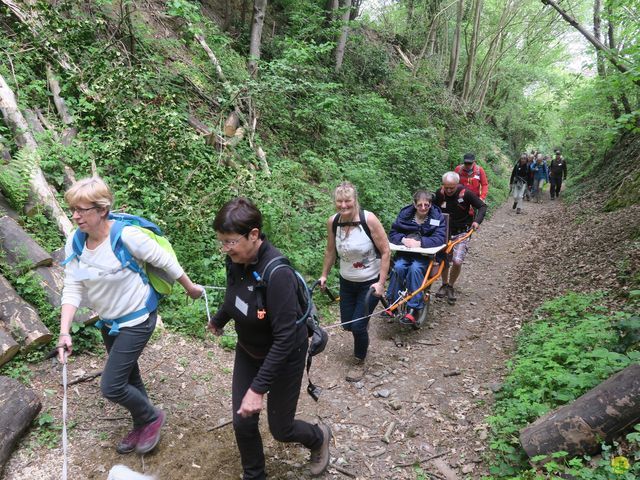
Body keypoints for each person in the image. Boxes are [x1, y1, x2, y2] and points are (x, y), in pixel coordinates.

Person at [57, 176, 203, 455]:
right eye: (73, 210)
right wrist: (65, 332)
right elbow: (72, 287)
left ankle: (151, 417)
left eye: (82, 210)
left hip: (137, 320)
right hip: (109, 322)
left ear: (102, 210)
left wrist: (190, 287)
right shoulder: (75, 243)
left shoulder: (126, 237)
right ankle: (142, 423)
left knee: (111, 386)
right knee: (128, 377)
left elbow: (165, 260)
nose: (76, 216)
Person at [207, 197, 331, 479]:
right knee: (242, 422)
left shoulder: (278, 275)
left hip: (285, 356)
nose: (225, 249)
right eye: (222, 241)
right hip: (248, 350)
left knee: (281, 430)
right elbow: (234, 297)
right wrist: (219, 320)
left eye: (230, 241)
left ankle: (318, 436)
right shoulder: (235, 261)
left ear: (254, 235)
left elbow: (286, 339)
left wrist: (257, 389)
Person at [318, 181, 390, 382]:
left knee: (357, 327)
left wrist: (381, 283)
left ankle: (359, 360)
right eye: (339, 201)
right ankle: (361, 326)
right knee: (347, 324)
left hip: (370, 283)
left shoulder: (369, 219)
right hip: (346, 281)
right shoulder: (333, 222)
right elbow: (330, 250)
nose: (343, 205)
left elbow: (385, 251)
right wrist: (324, 274)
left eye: (347, 201)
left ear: (355, 200)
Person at [386, 190, 446, 325]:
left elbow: (440, 238)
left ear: (431, 204)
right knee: (398, 267)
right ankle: (393, 303)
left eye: (426, 205)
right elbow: (393, 233)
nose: (423, 208)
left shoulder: (437, 216)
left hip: (424, 255)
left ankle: (414, 308)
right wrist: (403, 239)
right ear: (414, 204)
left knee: (415, 268)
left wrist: (420, 243)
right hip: (404, 252)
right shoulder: (405, 215)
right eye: (420, 205)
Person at [432, 172, 486, 305]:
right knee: (444, 259)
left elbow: (482, 206)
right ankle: (444, 284)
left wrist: (477, 221)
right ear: (443, 185)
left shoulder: (465, 193)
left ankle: (451, 285)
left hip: (462, 232)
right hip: (444, 232)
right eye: (446, 187)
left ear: (457, 184)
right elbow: (432, 209)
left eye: (452, 188)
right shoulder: (439, 193)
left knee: (457, 261)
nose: (449, 190)